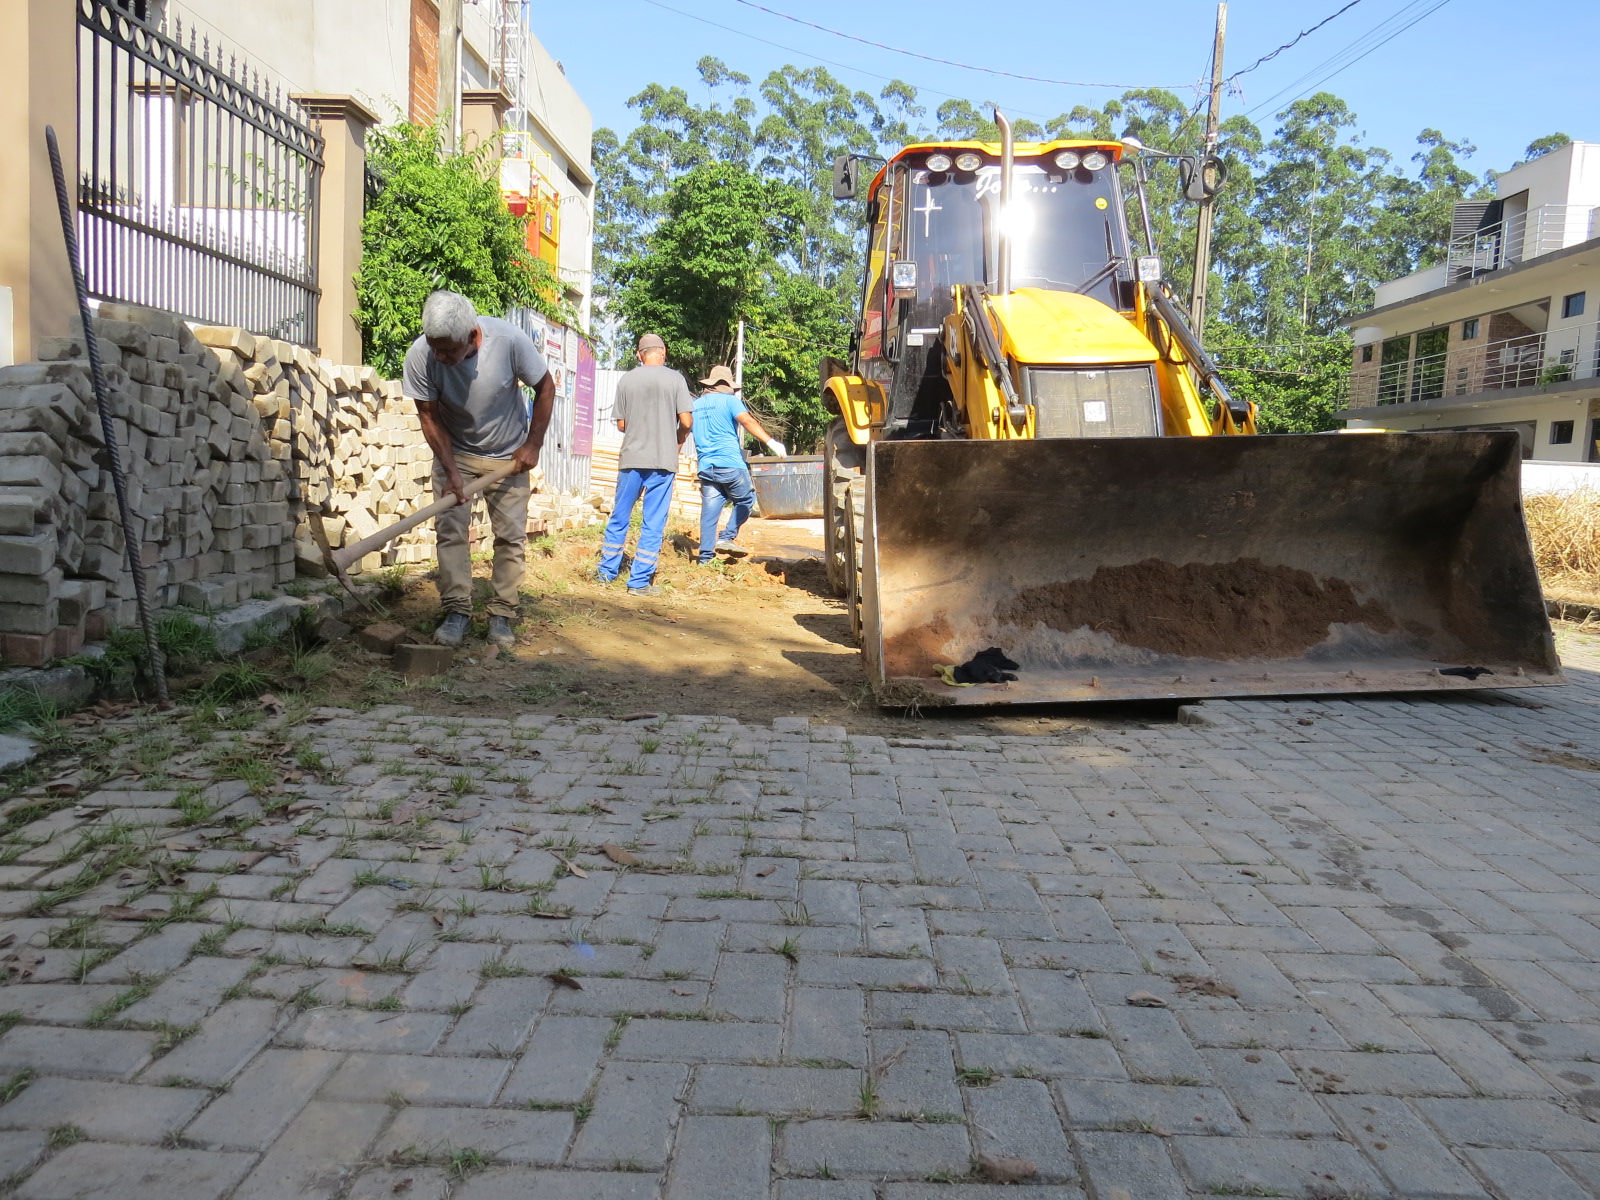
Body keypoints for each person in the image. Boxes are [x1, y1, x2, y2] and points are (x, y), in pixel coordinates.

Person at [403, 290, 554, 649]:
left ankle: (502, 613)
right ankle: (457, 610)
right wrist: (451, 470)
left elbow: (545, 388)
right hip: (455, 451)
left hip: (508, 455)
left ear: (472, 335)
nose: (439, 356)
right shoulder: (421, 355)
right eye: (435, 347)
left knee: (510, 537)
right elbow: (429, 415)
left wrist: (532, 444)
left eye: (448, 350)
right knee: (451, 530)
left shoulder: (509, 342)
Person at [597, 333, 693, 595]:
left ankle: (606, 573)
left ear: (639, 355)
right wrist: (677, 439)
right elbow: (686, 422)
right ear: (664, 353)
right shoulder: (675, 379)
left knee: (620, 515)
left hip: (631, 460)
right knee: (653, 521)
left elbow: (621, 424)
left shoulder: (627, 379)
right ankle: (638, 582)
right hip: (662, 461)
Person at [691, 364, 784, 562]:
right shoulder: (730, 401)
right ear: (727, 385)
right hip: (730, 463)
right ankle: (726, 537)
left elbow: (684, 429)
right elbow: (747, 421)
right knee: (745, 500)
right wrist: (770, 442)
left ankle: (705, 558)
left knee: (710, 512)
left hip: (706, 466)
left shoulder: (695, 405)